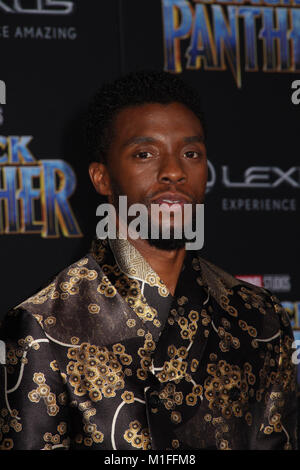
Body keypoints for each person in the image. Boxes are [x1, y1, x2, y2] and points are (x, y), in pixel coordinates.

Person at [0, 71, 297, 450]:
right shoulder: (44, 326)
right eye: (145, 154)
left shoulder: (260, 318)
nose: (174, 171)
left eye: (191, 154)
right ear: (102, 177)